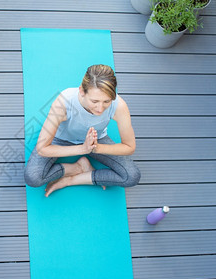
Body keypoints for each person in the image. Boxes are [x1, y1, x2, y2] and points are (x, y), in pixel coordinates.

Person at [24, 64, 140, 197]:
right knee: (32, 177)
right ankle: (76, 168)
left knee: (132, 176)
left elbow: (129, 147)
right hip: (61, 139)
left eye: (106, 101)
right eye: (94, 101)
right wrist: (82, 149)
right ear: (82, 91)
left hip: (97, 141)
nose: (100, 108)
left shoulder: (119, 105)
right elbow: (42, 148)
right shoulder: (64, 101)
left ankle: (72, 179)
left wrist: (96, 148)